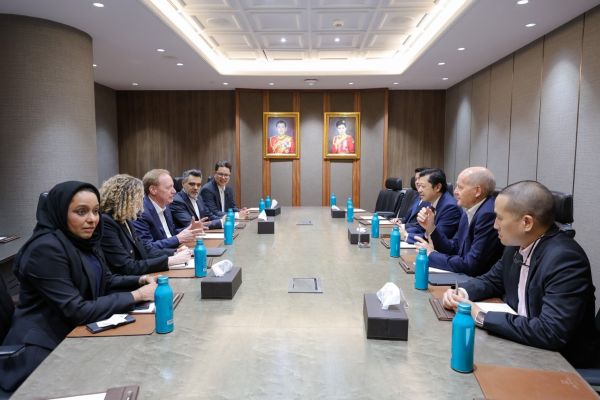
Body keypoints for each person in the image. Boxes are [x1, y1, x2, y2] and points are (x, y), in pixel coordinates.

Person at [0, 181, 156, 392]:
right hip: (42, 351)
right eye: (81, 212)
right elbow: (77, 310)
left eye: (95, 211)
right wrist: (137, 295)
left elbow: (107, 280)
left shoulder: (84, 241)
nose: (92, 219)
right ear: (60, 212)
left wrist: (140, 280)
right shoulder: (45, 249)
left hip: (76, 335)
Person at [442, 181, 599, 368]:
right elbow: (492, 280)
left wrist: (481, 316)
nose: (494, 225)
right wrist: (460, 292)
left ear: (526, 222)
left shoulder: (565, 259)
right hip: (520, 345)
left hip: (561, 364)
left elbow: (551, 331)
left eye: (499, 218)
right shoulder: (516, 245)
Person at [415, 167, 503, 276]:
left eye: (460, 187)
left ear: (477, 191)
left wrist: (431, 255)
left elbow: (471, 265)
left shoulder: (487, 215)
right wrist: (431, 227)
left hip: (477, 280)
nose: (455, 192)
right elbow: (454, 248)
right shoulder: (468, 211)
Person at [99, 174, 192, 275]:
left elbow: (145, 250)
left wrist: (175, 252)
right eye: (138, 198)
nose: (141, 202)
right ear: (125, 200)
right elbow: (127, 267)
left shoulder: (126, 220)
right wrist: (169, 261)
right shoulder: (107, 223)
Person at [132, 169, 202, 254]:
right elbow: (146, 248)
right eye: (169, 187)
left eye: (173, 187)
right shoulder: (141, 212)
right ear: (153, 190)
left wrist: (187, 230)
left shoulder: (166, 205)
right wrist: (177, 241)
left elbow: (169, 234)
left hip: (174, 251)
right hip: (162, 258)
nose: (174, 191)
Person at [402, 168, 461, 244]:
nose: (419, 190)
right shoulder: (432, 201)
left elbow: (437, 239)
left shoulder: (450, 207)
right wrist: (402, 230)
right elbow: (421, 227)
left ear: (437, 187)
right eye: (419, 186)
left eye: (423, 186)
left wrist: (407, 236)